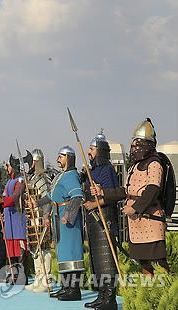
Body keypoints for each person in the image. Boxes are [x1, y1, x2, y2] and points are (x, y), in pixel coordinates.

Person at [91, 118, 169, 276]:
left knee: (159, 261)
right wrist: (102, 192)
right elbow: (125, 190)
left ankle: (166, 292)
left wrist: (134, 208)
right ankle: (149, 292)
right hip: (137, 223)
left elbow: (152, 190)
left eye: (136, 144)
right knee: (144, 262)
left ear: (145, 144)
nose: (133, 148)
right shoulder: (134, 166)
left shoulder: (155, 163)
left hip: (150, 218)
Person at [33, 145, 85, 301]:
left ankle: (74, 290)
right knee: (63, 254)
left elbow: (76, 197)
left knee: (72, 253)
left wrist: (68, 214)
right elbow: (50, 195)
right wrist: (37, 203)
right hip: (58, 217)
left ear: (68, 158)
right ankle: (66, 287)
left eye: (60, 157)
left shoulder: (71, 176)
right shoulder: (61, 176)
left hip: (68, 220)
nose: (57, 159)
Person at [83, 132, 119, 310]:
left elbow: (112, 195)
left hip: (105, 219)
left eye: (91, 149)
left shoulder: (108, 170)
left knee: (107, 261)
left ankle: (110, 299)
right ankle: (101, 295)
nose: (88, 152)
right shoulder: (92, 171)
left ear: (100, 150)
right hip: (93, 222)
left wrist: (94, 203)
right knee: (97, 261)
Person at [0, 153, 28, 284]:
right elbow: (6, 196)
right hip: (9, 218)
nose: (6, 167)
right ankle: (14, 273)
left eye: (8, 165)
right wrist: (3, 210)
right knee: (11, 248)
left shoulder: (20, 181)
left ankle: (22, 275)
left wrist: (2, 201)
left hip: (18, 218)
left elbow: (16, 197)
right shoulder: (9, 181)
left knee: (19, 246)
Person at [24, 149, 52, 293]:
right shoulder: (33, 179)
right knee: (35, 248)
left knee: (44, 248)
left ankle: (45, 280)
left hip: (41, 218)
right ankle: (38, 278)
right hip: (33, 217)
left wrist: (46, 216)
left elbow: (47, 199)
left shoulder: (42, 179)